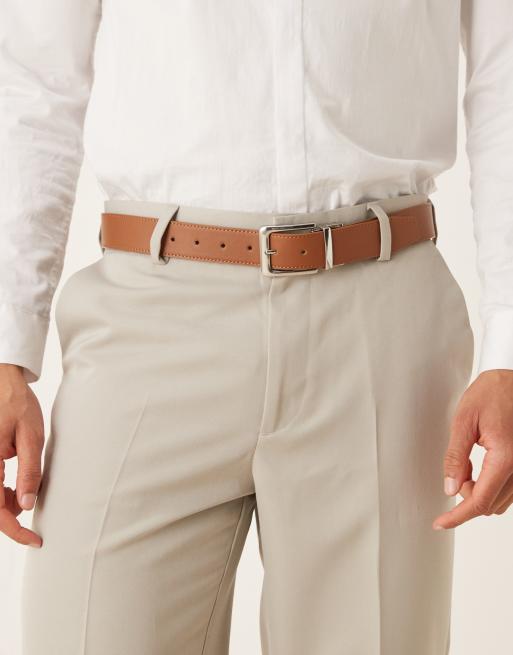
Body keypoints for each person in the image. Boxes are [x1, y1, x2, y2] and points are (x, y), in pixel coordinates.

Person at [1, 1, 512, 654]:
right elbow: (35, 83)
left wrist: (508, 349)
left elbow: (505, 75)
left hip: (381, 323)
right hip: (147, 316)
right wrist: (7, 348)